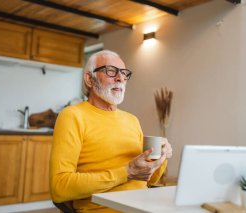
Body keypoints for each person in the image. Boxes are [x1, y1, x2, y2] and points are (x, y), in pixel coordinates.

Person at [50, 50, 172, 212]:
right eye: (111, 71)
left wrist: (161, 158)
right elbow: (59, 188)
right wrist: (126, 172)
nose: (120, 78)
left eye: (123, 73)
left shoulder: (132, 120)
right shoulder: (72, 116)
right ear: (89, 79)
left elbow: (148, 180)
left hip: (143, 207)